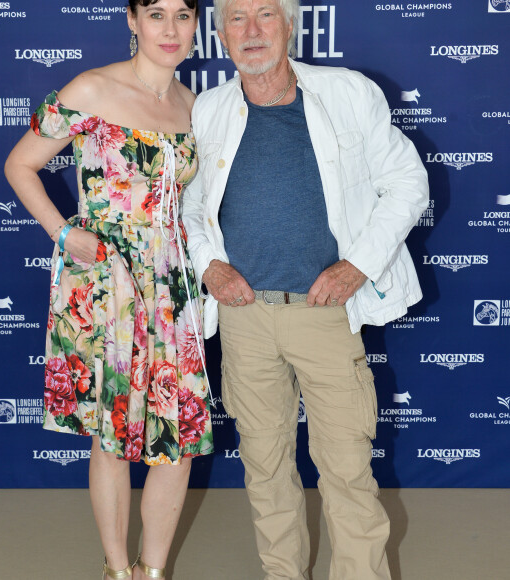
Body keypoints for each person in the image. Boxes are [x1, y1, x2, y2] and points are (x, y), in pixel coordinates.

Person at [181, 0, 429, 578]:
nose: (251, 31)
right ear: (220, 34)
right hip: (243, 318)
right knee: (266, 470)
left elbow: (408, 183)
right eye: (236, 18)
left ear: (291, 26)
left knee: (346, 471)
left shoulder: (346, 92)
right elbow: (191, 206)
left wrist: (358, 267)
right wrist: (209, 265)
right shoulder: (209, 109)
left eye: (265, 15)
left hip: (325, 313)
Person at [5, 0, 213, 577]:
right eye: (155, 14)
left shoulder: (195, 107)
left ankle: (153, 571)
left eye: (182, 14)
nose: (170, 30)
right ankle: (118, 569)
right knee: (114, 434)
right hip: (105, 284)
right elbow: (20, 165)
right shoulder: (90, 91)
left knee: (179, 433)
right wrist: (64, 233)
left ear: (197, 23)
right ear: (131, 19)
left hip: (172, 287)